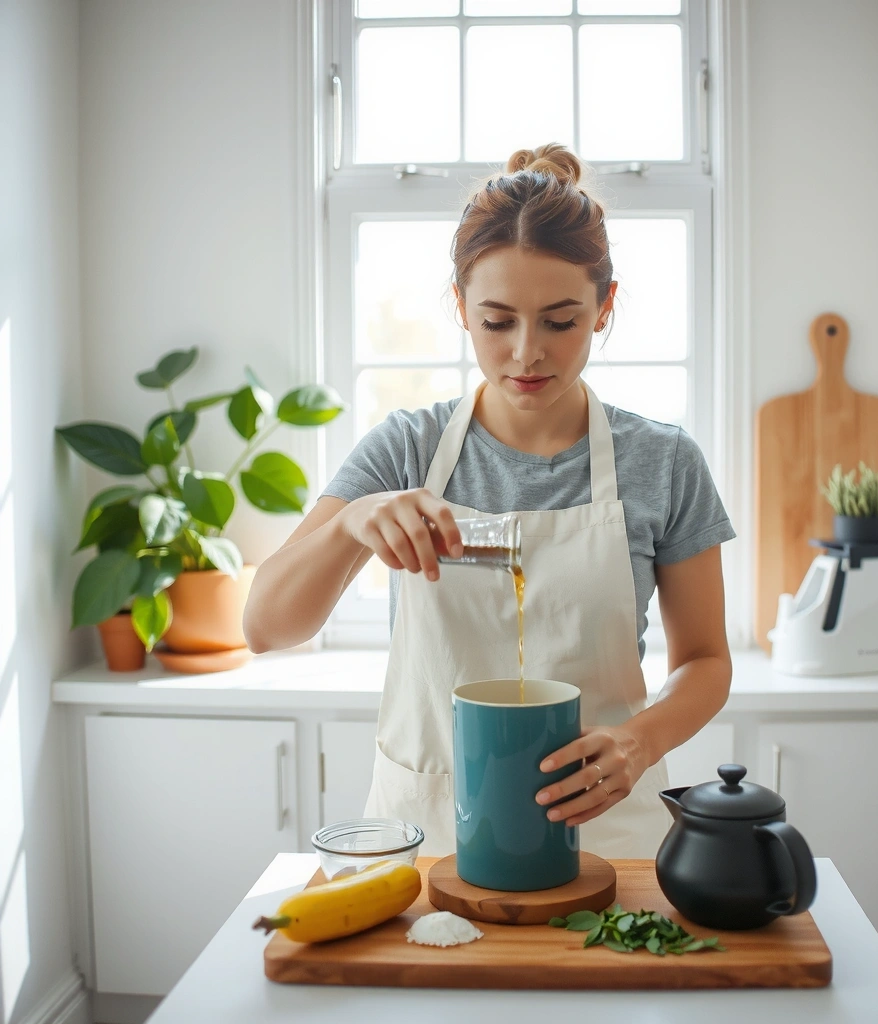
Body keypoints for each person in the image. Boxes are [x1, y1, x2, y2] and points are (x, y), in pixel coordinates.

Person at [243, 143, 735, 860]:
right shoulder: (406, 451)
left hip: (602, 832)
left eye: (560, 321)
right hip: (427, 832)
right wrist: (351, 523)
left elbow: (707, 660)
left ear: (605, 307)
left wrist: (641, 739)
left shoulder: (663, 463)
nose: (526, 353)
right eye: (497, 322)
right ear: (460, 308)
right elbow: (266, 627)